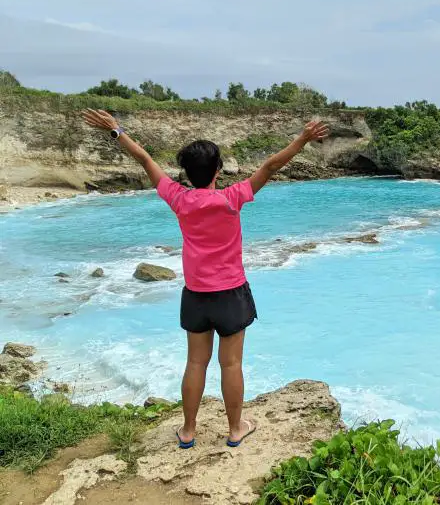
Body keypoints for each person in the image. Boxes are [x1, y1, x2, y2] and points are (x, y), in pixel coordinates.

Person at [82, 108, 329, 448]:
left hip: (195, 294)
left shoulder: (179, 199)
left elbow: (143, 158)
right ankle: (235, 429)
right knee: (231, 364)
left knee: (195, 362)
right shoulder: (232, 198)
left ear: (185, 173)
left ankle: (188, 430)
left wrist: (116, 130)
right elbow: (271, 165)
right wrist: (302, 138)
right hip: (231, 293)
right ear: (218, 170)